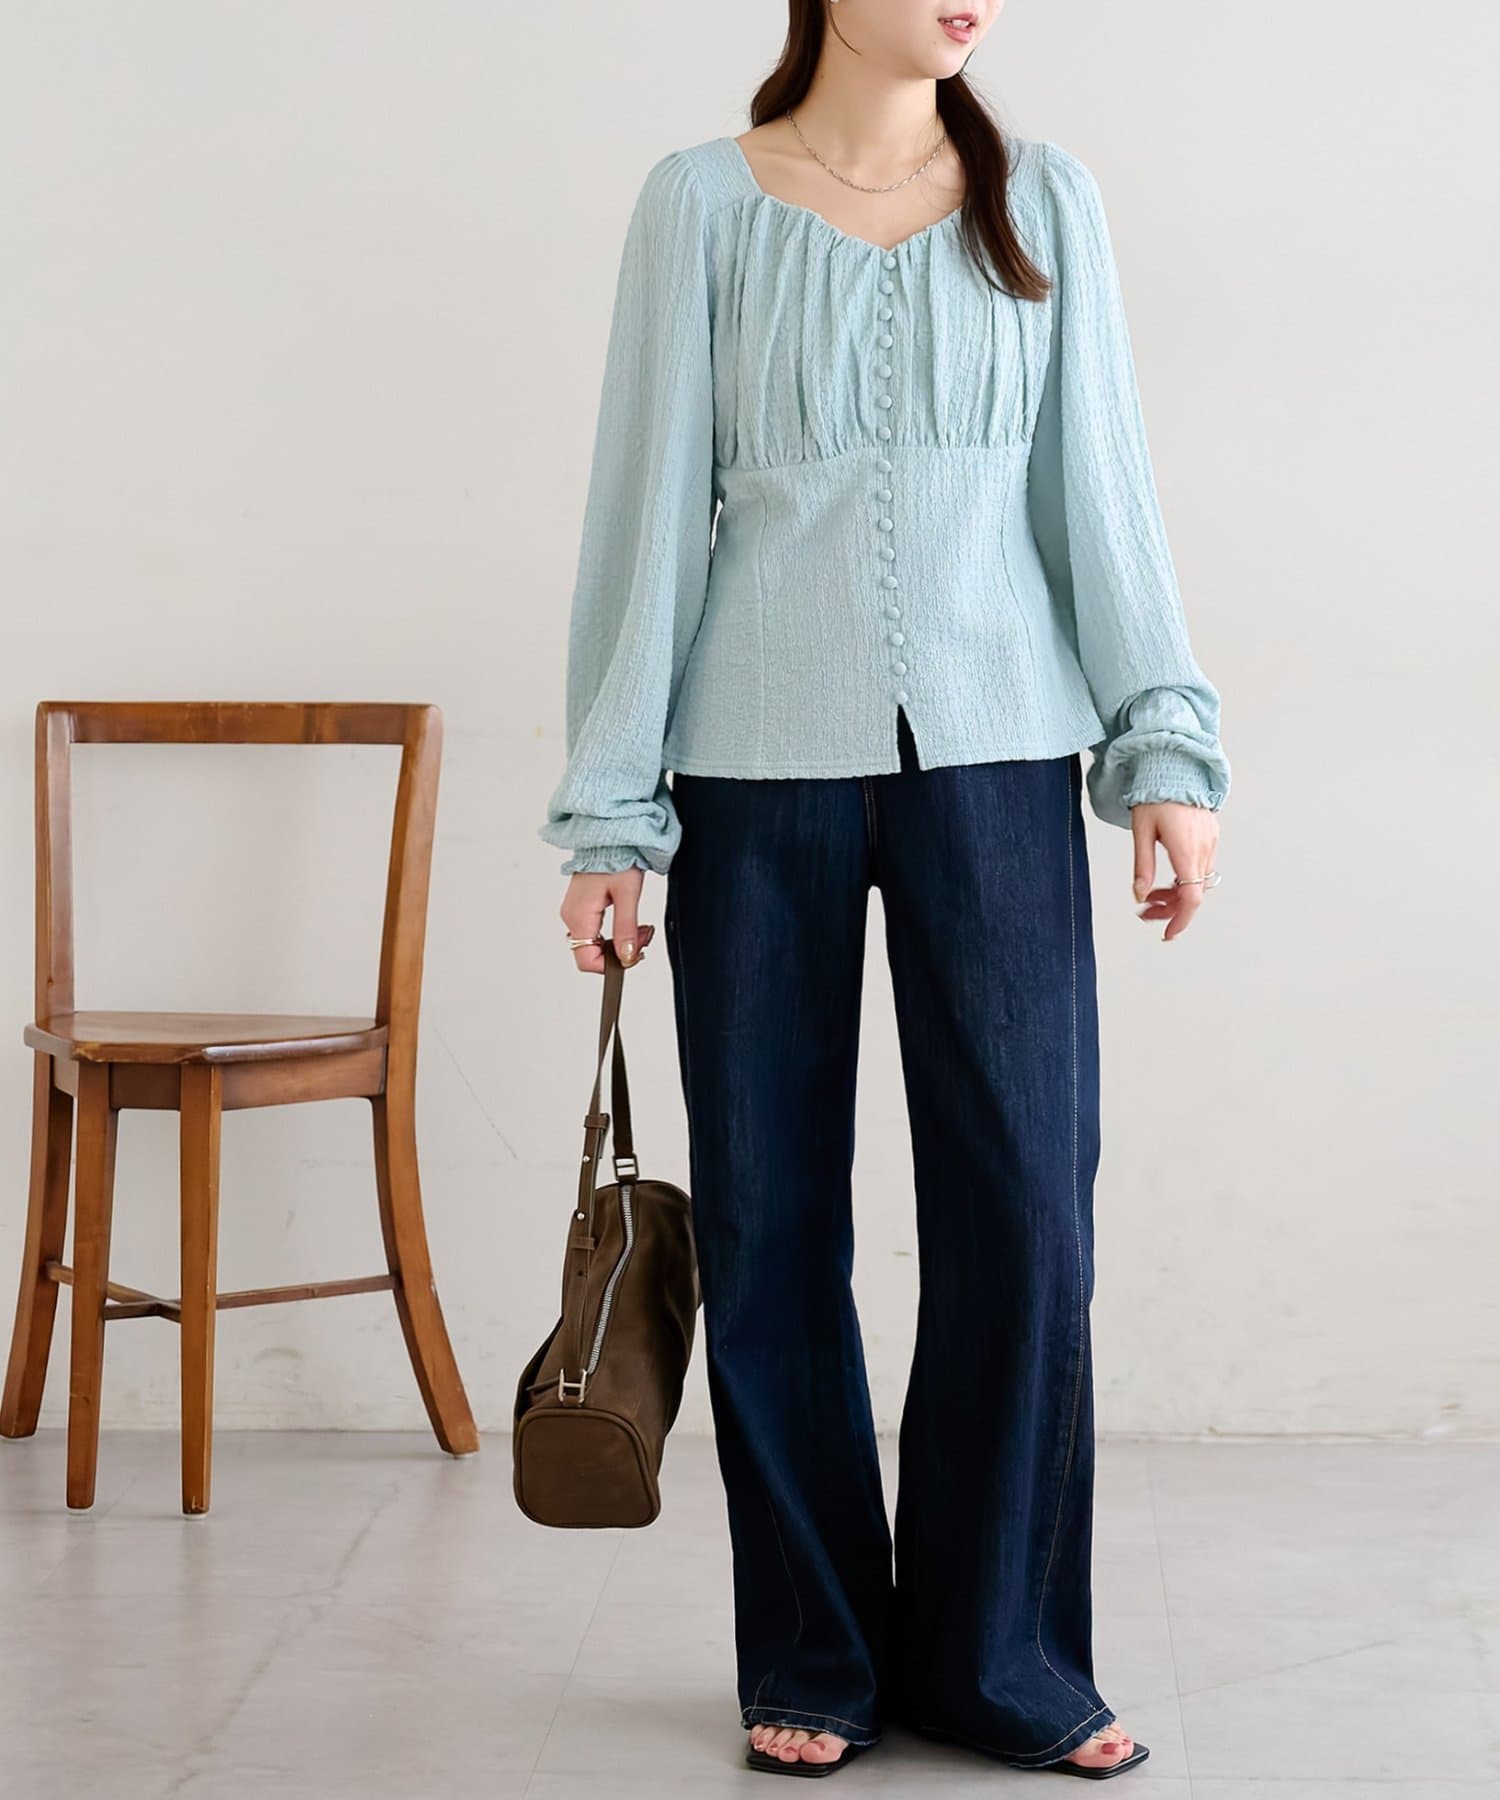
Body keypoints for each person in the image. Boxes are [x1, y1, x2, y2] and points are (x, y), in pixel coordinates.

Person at [538, 0, 1228, 1780]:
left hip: (1001, 759)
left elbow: (1102, 489)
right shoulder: (701, 202)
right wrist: (613, 815)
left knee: (1028, 1215)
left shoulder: (1042, 198)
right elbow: (644, 509)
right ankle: (817, 1650)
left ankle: (1002, 1655)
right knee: (772, 1223)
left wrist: (1162, 746)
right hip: (750, 769)